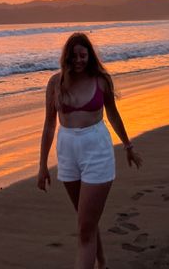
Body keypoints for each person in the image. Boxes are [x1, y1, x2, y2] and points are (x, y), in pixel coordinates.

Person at [37, 32, 142, 269]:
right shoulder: (55, 83)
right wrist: (42, 166)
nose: (78, 60)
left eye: (83, 55)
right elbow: (49, 125)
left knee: (84, 228)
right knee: (86, 220)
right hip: (67, 151)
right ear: (66, 57)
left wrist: (128, 146)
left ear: (89, 55)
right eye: (73, 56)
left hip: (97, 149)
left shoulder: (102, 80)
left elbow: (113, 114)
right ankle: (102, 262)